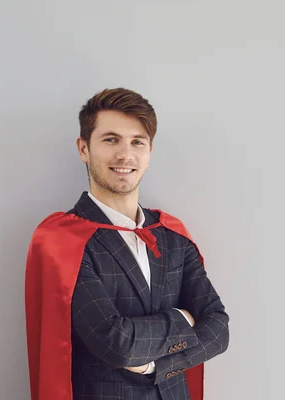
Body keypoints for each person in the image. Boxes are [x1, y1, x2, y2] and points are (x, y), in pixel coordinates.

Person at [24, 88, 230, 400]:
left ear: (149, 151)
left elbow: (218, 329)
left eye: (137, 142)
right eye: (110, 140)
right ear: (84, 148)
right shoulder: (63, 239)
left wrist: (154, 368)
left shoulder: (172, 234)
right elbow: (116, 343)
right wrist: (184, 319)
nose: (125, 155)